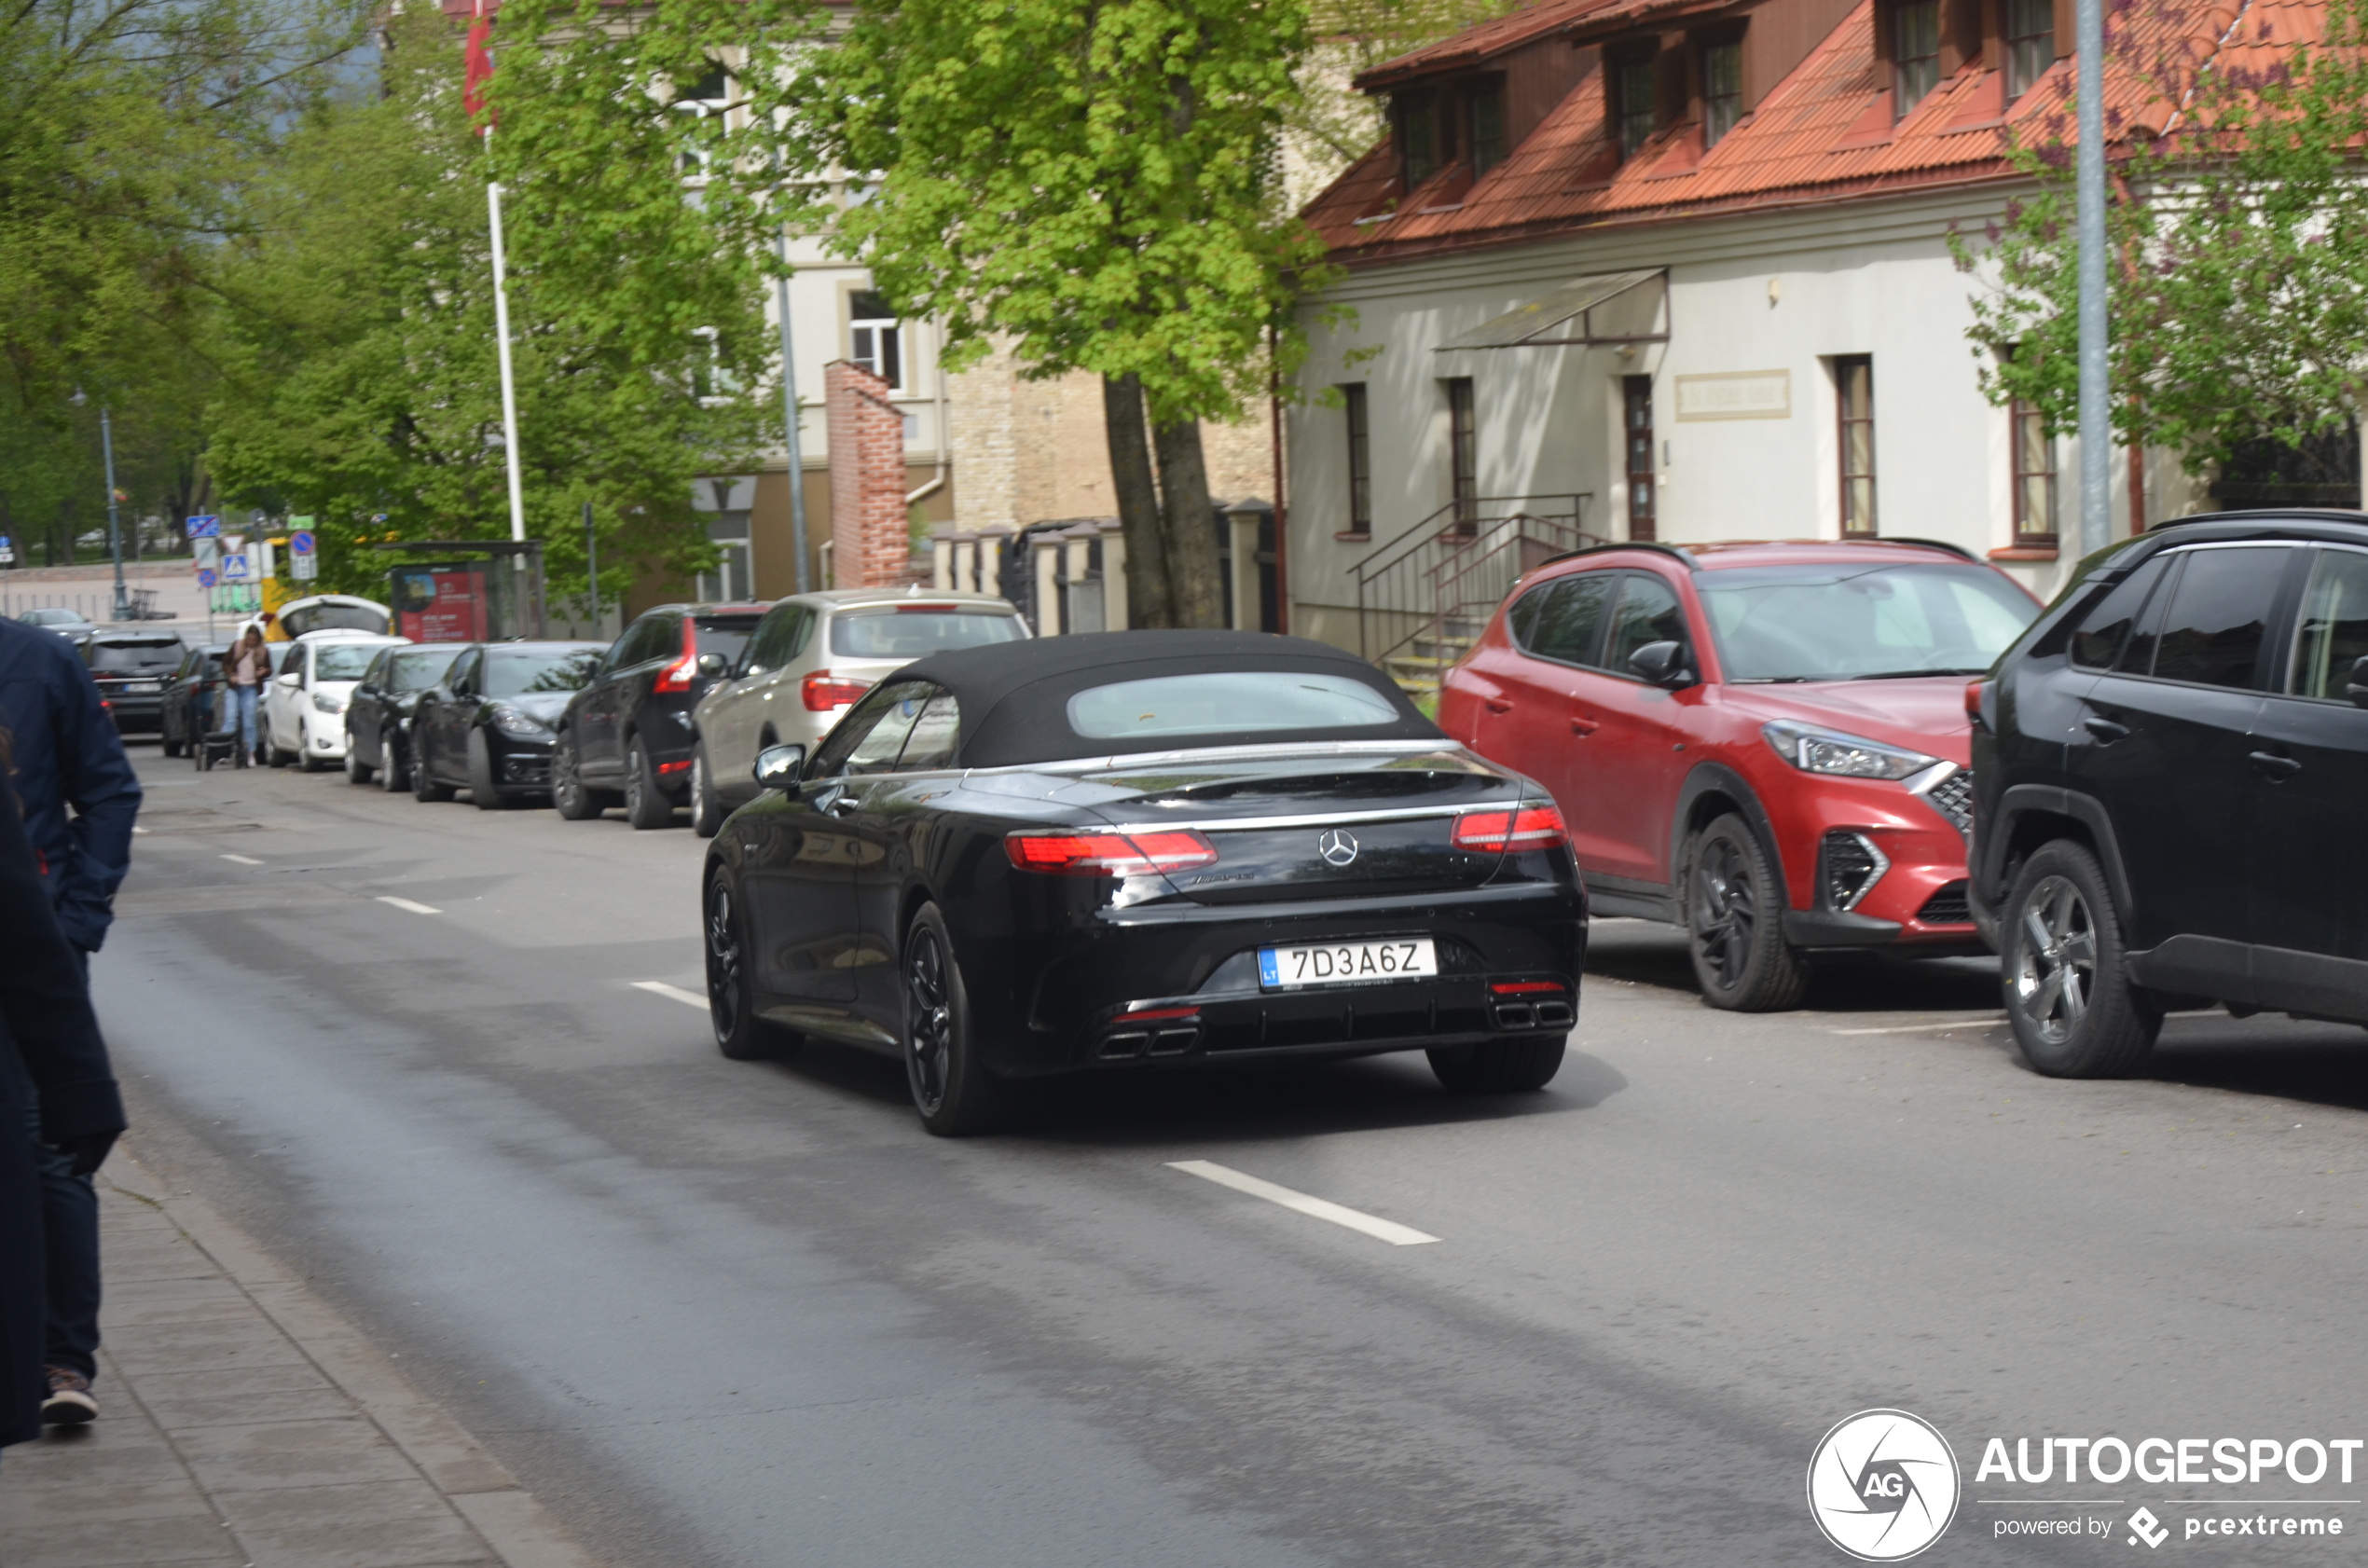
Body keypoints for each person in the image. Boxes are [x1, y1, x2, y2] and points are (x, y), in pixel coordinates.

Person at [0, 615, 140, 1426]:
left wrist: (77, 918)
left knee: (50, 1148)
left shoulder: (39, 659)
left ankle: (62, 1359)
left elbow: (109, 790)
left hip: (34, 952)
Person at [224, 625, 270, 768]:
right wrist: (231, 675)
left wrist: (263, 672)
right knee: (230, 718)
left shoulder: (263, 651)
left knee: (249, 722)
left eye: (254, 640)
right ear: (246, 637)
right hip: (235, 687)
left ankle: (251, 754)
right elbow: (226, 662)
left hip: (250, 688)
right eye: (249, 639)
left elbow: (269, 669)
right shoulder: (237, 646)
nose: (251, 642)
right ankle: (225, 751)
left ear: (258, 640)